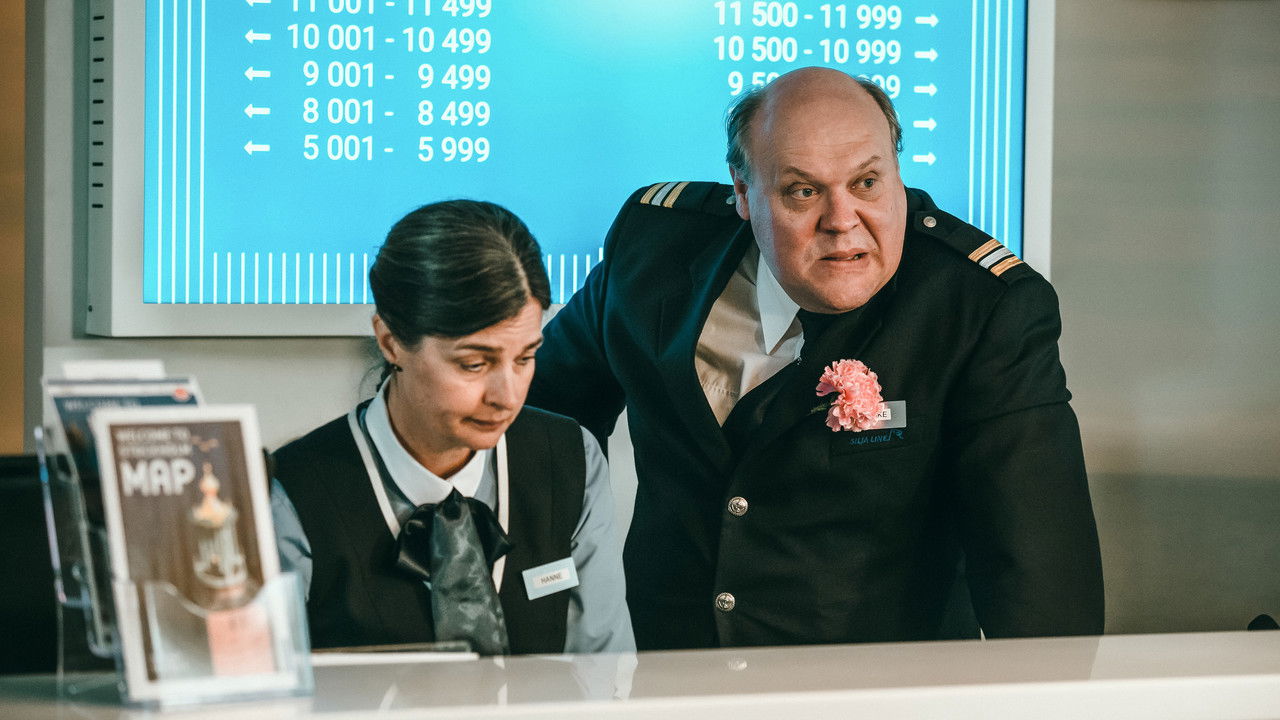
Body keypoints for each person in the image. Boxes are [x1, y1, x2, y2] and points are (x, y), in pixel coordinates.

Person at [526, 67, 1104, 650]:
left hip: (871, 688)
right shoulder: (655, 249)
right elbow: (542, 421)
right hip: (661, 674)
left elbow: (1042, 583)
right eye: (803, 192)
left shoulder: (982, 309)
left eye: (867, 183)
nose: (842, 220)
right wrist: (549, 612)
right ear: (742, 192)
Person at [270, 200, 634, 655]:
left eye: (525, 358)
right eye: (474, 363)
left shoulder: (572, 460)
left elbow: (604, 669)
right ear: (391, 342)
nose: (507, 396)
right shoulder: (290, 494)